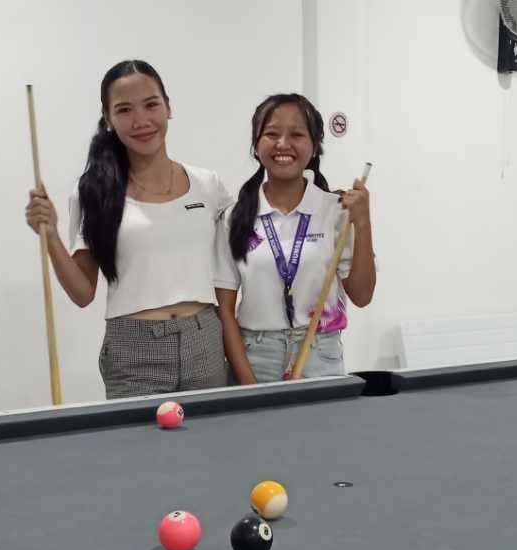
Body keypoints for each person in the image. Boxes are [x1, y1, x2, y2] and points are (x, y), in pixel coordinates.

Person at [25, 60, 231, 399]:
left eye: (151, 104)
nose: (141, 121)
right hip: (134, 349)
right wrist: (50, 236)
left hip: (205, 339)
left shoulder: (209, 186)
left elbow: (229, 274)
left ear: (168, 106)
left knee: (209, 450)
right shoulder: (93, 193)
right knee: (138, 451)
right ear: (108, 119)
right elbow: (82, 293)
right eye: (124, 110)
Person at [214, 93, 376, 384]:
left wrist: (363, 223)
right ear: (255, 146)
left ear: (314, 147)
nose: (283, 144)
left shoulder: (335, 211)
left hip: (319, 352)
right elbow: (224, 311)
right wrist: (248, 383)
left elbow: (362, 296)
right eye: (272, 134)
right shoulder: (234, 217)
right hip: (255, 355)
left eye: (297, 134)